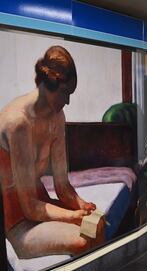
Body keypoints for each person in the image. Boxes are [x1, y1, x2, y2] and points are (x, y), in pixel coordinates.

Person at [0, 46, 105, 258]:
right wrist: (73, 216)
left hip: (41, 205)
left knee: (98, 223)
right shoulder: (17, 122)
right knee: (81, 240)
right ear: (50, 85)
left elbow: (62, 186)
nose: (67, 101)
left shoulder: (57, 117)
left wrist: (83, 206)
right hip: (17, 220)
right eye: (65, 93)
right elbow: (28, 207)